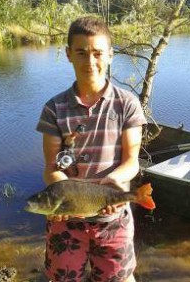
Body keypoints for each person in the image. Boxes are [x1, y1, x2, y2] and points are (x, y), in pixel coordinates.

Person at [36, 16, 147, 282]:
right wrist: (61, 194)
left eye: (97, 53)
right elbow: (52, 168)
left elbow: (132, 161)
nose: (90, 61)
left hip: (113, 215)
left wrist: (115, 182)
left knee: (120, 278)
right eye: (81, 53)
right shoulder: (54, 109)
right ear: (68, 55)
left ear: (110, 55)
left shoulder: (127, 104)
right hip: (65, 218)